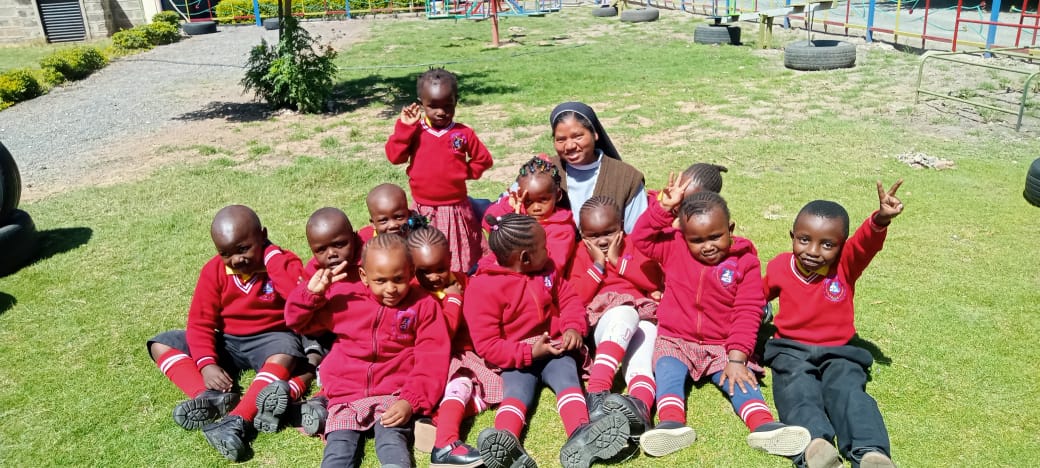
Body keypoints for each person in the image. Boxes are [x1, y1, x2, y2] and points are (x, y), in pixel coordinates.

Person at [630, 178, 810, 459]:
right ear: (683, 236)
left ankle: (764, 426)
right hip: (676, 339)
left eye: (715, 237)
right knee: (667, 371)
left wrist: (737, 358)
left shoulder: (745, 261)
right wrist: (664, 208)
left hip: (722, 345)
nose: (707, 246)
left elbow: (748, 310)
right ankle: (671, 422)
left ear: (731, 230)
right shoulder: (673, 247)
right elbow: (641, 238)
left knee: (740, 382)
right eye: (697, 240)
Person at [464, 214, 631, 468]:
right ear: (524, 258)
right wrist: (529, 352)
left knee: (568, 382)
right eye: (544, 247)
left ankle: (582, 433)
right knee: (517, 393)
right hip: (516, 357)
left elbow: (569, 300)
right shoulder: (482, 289)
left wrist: (573, 328)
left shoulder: (547, 270)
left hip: (555, 347)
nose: (549, 251)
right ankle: (506, 441)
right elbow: (488, 345)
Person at [146, 205, 305, 462]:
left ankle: (237, 420)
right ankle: (209, 397)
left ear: (262, 235)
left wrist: (272, 257)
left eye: (244, 249)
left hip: (271, 338)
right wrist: (207, 364)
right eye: (225, 254)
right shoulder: (214, 272)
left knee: (285, 352)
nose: (236, 260)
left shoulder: (281, 262)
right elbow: (200, 323)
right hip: (230, 341)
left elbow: (300, 298)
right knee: (161, 344)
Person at [762, 181, 904, 468]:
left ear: (841, 247)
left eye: (827, 244)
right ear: (792, 236)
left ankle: (869, 452)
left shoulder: (845, 265)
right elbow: (754, 299)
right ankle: (816, 447)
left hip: (839, 351)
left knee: (850, 393)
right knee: (797, 392)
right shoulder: (779, 266)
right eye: (804, 239)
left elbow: (866, 243)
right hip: (790, 350)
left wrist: (880, 219)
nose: (813, 251)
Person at [284, 233, 450, 468]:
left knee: (393, 443)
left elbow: (432, 359)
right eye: (380, 281)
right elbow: (297, 322)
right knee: (338, 447)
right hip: (345, 393)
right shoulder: (346, 300)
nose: (391, 289)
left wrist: (410, 401)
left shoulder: (423, 306)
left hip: (393, 393)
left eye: (399, 279)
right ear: (364, 276)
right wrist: (311, 295)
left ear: (412, 272)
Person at [253, 207, 362, 436]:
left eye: (339, 244)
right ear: (312, 249)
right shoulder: (315, 271)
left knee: (347, 366)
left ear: (353, 235)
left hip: (361, 334)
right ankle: (300, 397)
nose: (331, 254)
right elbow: (295, 319)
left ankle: (309, 402)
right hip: (327, 335)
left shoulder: (368, 260)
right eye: (321, 250)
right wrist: (313, 294)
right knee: (326, 361)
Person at [567, 196, 663, 442]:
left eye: (609, 232)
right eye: (592, 235)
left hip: (642, 314)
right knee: (625, 312)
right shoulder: (581, 254)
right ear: (582, 233)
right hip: (605, 321)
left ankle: (640, 409)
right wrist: (598, 266)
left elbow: (652, 282)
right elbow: (577, 295)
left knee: (645, 338)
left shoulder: (634, 246)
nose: (601, 240)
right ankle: (598, 390)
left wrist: (618, 262)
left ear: (621, 225)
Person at [406, 226, 500, 468]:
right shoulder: (416, 295)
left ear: (450, 259)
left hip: (467, 353)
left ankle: (436, 421)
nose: (434, 277)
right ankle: (445, 443)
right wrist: (454, 299)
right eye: (424, 271)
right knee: (462, 383)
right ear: (411, 268)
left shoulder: (462, 280)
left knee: (489, 389)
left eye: (441, 268)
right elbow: (441, 336)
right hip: (439, 357)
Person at [385, 68, 493, 273]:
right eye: (432, 106)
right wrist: (404, 128)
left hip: (455, 210)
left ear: (456, 101)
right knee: (424, 256)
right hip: (423, 209)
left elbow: (483, 159)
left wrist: (463, 172)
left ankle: (460, 288)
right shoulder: (415, 131)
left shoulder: (462, 133)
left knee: (458, 258)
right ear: (421, 103)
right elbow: (394, 157)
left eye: (447, 105)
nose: (441, 112)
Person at [548, 101, 647, 233]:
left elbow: (639, 233)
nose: (569, 146)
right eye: (561, 140)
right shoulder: (543, 170)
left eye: (578, 136)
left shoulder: (627, 178)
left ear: (595, 134)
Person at [483, 155, 577, 275]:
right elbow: (489, 222)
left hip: (537, 280)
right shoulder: (519, 210)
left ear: (557, 195)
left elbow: (553, 266)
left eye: (543, 200)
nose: (536, 208)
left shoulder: (562, 229)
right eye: (528, 201)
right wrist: (509, 205)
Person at [359, 183, 427, 242]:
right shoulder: (366, 241)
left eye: (399, 217)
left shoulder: (420, 238)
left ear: (409, 215)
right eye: (383, 220)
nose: (393, 225)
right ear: (373, 223)